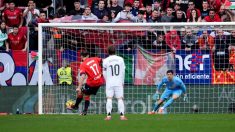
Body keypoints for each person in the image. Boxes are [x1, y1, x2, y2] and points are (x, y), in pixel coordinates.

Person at [67, 50, 104, 115]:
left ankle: (78, 108)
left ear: (81, 57)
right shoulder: (95, 58)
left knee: (82, 92)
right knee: (83, 93)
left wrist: (79, 87)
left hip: (93, 83)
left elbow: (83, 76)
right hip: (99, 80)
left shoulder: (83, 65)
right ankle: (78, 107)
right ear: (88, 55)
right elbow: (103, 60)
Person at [103, 46, 127, 120]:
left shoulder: (106, 60)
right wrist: (122, 81)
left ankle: (108, 116)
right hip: (119, 82)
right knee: (120, 99)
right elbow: (123, 72)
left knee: (109, 98)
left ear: (108, 52)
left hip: (109, 82)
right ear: (115, 51)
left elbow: (104, 73)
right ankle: (122, 116)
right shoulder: (121, 59)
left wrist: (107, 81)